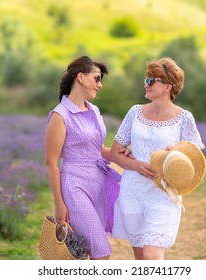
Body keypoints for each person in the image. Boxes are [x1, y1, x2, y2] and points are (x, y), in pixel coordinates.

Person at [110, 57, 205, 260]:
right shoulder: (134, 113)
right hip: (132, 191)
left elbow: (194, 157)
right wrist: (136, 165)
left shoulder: (184, 118)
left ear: (167, 87)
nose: (146, 84)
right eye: (146, 79)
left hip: (163, 192)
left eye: (152, 81)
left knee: (152, 256)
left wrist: (178, 151)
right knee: (141, 257)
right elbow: (115, 153)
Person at [44, 56, 130, 260]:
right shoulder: (60, 115)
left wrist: (122, 154)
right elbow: (51, 162)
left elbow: (99, 150)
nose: (99, 85)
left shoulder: (95, 111)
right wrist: (59, 204)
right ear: (81, 77)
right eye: (97, 78)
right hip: (75, 187)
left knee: (89, 253)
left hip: (98, 185)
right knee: (102, 253)